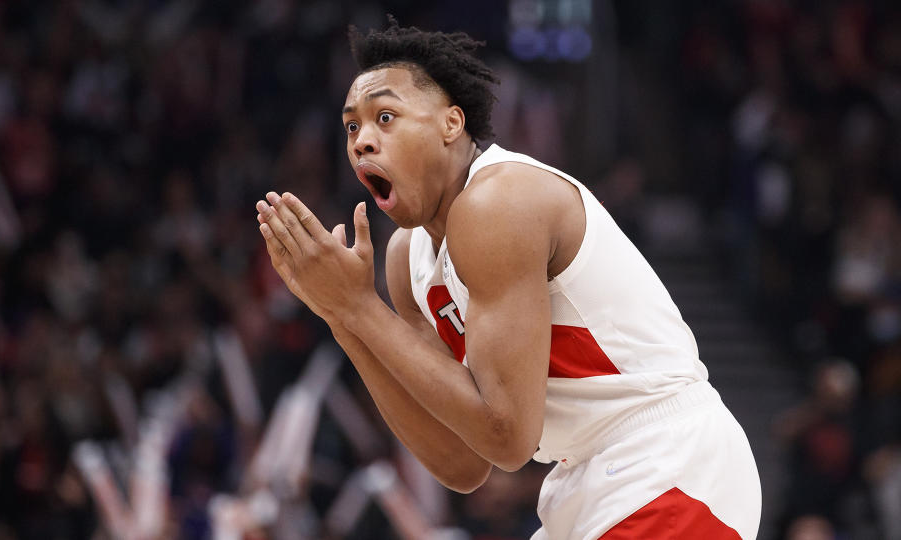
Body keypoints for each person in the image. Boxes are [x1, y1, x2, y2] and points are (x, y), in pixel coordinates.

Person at [255, 19, 761, 540]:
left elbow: (508, 439)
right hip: (582, 478)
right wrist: (341, 315)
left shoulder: (499, 200)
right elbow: (463, 465)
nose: (362, 141)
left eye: (385, 117)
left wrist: (362, 309)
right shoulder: (407, 257)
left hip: (666, 460)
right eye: (352, 127)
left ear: (451, 124)